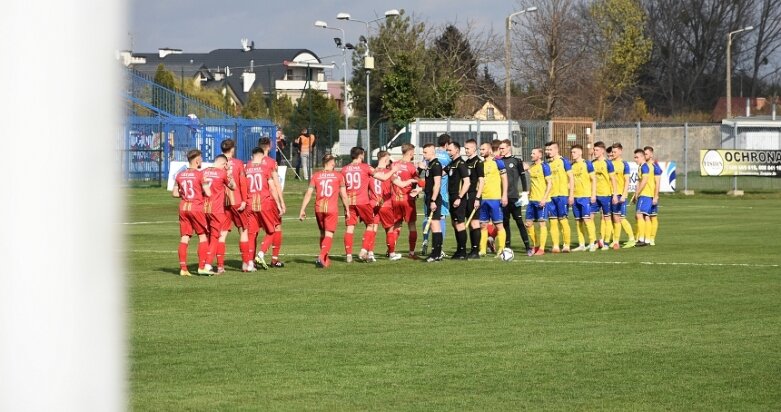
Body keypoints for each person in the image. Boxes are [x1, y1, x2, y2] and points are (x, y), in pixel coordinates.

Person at [341, 146, 397, 263]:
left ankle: (349, 256)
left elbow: (342, 188)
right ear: (361, 155)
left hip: (349, 201)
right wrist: (392, 170)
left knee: (350, 228)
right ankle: (363, 251)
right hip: (362, 201)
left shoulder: (344, 169)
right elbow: (383, 177)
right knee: (371, 225)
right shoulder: (365, 167)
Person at [299, 154, 350, 268]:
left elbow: (308, 193)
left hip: (319, 208)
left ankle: (325, 259)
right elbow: (344, 195)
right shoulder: (338, 176)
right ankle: (322, 256)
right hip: (331, 209)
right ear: (332, 162)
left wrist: (302, 209)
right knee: (329, 234)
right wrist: (347, 209)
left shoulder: (316, 176)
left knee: (322, 233)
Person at [172, 149, 212, 276]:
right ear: (197, 160)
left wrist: (185, 194)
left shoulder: (179, 175)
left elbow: (174, 193)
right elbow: (209, 192)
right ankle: (201, 267)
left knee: (185, 237)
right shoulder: (200, 175)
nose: (202, 161)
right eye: (201, 158)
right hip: (196, 207)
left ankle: (183, 269)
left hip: (184, 206)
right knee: (203, 236)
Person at [245, 147, 284, 270]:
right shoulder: (265, 168)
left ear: (252, 156)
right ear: (262, 157)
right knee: (272, 230)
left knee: (252, 234)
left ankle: (250, 263)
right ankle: (261, 254)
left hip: (250, 203)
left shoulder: (246, 168)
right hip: (264, 202)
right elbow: (272, 187)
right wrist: (278, 204)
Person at [221, 139, 254, 272]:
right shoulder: (238, 163)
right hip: (237, 201)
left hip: (222, 203)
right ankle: (246, 264)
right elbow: (243, 183)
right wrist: (245, 200)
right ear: (233, 149)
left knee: (222, 234)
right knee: (243, 231)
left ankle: (219, 266)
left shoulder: (217, 163)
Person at [497, 139, 532, 255]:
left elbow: (523, 177)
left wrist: (525, 192)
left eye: (502, 148)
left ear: (508, 148)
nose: (500, 150)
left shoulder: (516, 161)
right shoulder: (498, 161)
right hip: (502, 197)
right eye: (500, 148)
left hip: (514, 197)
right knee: (505, 223)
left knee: (519, 222)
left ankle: (528, 247)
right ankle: (507, 247)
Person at [257, 137, 287, 267]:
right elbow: (276, 184)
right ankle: (272, 258)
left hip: (253, 199)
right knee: (276, 227)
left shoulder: (251, 162)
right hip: (269, 199)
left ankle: (250, 259)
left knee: (254, 230)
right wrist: (281, 202)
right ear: (269, 146)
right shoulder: (271, 162)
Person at [202, 154, 235, 274]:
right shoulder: (222, 173)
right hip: (216, 209)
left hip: (203, 208)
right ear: (224, 164)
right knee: (216, 237)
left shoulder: (203, 172)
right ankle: (208, 265)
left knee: (205, 237)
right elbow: (233, 187)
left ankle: (203, 263)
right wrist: (229, 172)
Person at [421, 134, 451, 256]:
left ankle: (425, 240)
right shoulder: (447, 157)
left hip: (427, 191)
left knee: (428, 217)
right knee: (439, 220)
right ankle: (439, 248)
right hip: (440, 193)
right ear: (447, 144)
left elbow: (423, 169)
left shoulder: (429, 156)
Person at [478, 141, 508, 257]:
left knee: (499, 224)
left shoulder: (498, 162)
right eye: (480, 150)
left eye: (483, 149)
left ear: (489, 150)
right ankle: (483, 250)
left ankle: (501, 249)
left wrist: (504, 194)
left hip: (495, 198)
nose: (481, 151)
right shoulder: (480, 164)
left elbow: (504, 179)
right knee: (483, 225)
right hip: (483, 198)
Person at [391, 143, 420, 259]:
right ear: (410, 152)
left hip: (395, 199)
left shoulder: (394, 164)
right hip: (407, 199)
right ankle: (412, 253)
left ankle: (391, 251)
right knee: (411, 224)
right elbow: (418, 181)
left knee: (396, 225)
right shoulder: (411, 167)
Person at [545, 141, 574, 253]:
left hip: (562, 195)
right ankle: (555, 245)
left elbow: (571, 178)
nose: (548, 152)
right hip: (550, 196)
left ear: (557, 150)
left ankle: (566, 245)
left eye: (550, 149)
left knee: (563, 220)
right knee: (552, 221)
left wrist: (571, 194)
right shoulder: (546, 164)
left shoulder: (564, 162)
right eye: (547, 150)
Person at [443, 141, 471, 259]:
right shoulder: (452, 163)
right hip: (452, 197)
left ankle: (463, 252)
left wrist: (460, 197)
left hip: (459, 198)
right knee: (454, 224)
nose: (448, 152)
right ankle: (459, 250)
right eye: (447, 150)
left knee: (460, 224)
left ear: (457, 150)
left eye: (450, 150)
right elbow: (440, 173)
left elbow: (467, 182)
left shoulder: (461, 164)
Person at [569, 144, 598, 252]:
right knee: (578, 221)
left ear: (580, 153)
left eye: (574, 152)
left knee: (587, 219)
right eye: (572, 152)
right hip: (576, 197)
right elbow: (571, 182)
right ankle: (581, 244)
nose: (572, 154)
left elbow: (593, 179)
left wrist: (593, 194)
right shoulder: (572, 166)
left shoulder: (587, 164)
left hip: (585, 196)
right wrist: (571, 195)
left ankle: (592, 243)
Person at [526, 147, 553, 255]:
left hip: (541, 200)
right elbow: (533, 183)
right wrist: (529, 192)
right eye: (531, 153)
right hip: (532, 200)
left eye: (533, 153)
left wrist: (544, 199)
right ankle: (535, 245)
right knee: (528, 224)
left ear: (540, 155)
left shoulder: (545, 167)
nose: (531, 155)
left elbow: (550, 184)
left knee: (542, 223)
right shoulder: (532, 167)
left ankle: (541, 249)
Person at [591, 141, 618, 250]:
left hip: (606, 195)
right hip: (594, 195)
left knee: (606, 218)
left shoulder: (608, 163)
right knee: (589, 217)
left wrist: (615, 194)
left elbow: (613, 180)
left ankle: (606, 242)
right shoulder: (592, 163)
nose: (594, 152)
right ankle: (594, 241)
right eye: (594, 150)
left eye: (596, 150)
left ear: (602, 151)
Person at [609, 143, 636, 248]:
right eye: (612, 152)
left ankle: (631, 239)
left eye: (615, 152)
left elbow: (627, 181)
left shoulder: (624, 164)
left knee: (621, 217)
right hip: (610, 194)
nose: (613, 153)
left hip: (620, 194)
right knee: (613, 217)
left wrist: (624, 194)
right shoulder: (610, 164)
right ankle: (615, 240)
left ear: (620, 151)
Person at [421, 143, 444, 262]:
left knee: (435, 225)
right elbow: (429, 184)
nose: (423, 154)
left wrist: (433, 200)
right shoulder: (430, 165)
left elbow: (437, 184)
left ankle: (435, 253)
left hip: (434, 199)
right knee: (435, 225)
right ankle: (437, 253)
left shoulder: (436, 165)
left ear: (432, 152)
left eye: (425, 152)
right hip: (429, 197)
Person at [463, 139, 485, 259]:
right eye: (465, 148)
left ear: (474, 149)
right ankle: (472, 249)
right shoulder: (466, 162)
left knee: (474, 222)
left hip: (473, 195)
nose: (466, 150)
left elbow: (481, 181)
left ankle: (476, 250)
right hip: (466, 196)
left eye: (468, 148)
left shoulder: (478, 162)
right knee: (470, 223)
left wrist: (477, 197)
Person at [630, 148, 655, 247]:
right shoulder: (641, 167)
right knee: (646, 217)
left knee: (639, 215)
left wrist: (637, 193)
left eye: (636, 157)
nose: (635, 159)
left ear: (642, 157)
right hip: (647, 194)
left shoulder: (644, 167)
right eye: (634, 157)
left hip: (645, 194)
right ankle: (647, 240)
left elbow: (644, 180)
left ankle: (641, 239)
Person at [644, 146, 662, 246]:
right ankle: (645, 238)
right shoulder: (644, 166)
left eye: (646, 154)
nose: (644, 155)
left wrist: (656, 196)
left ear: (651, 154)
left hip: (651, 196)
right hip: (644, 196)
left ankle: (651, 238)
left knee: (653, 217)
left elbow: (657, 183)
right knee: (644, 217)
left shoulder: (655, 167)